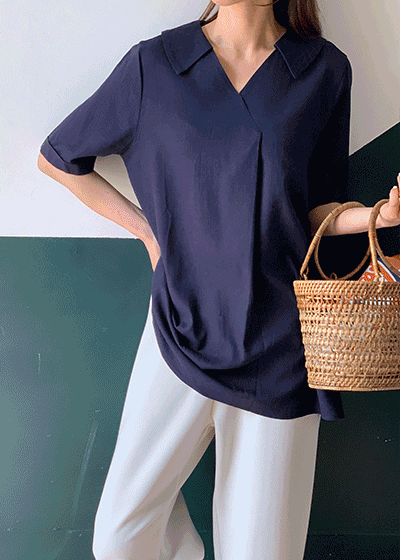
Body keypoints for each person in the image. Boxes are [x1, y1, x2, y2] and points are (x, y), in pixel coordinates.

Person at [37, 1, 400, 558]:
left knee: (264, 552)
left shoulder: (323, 70)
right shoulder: (157, 64)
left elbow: (316, 209)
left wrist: (379, 216)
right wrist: (148, 234)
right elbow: (58, 158)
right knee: (119, 538)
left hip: (282, 345)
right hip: (180, 327)